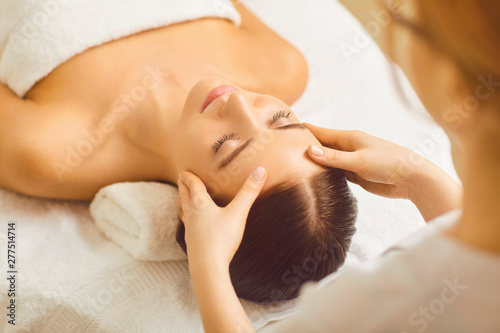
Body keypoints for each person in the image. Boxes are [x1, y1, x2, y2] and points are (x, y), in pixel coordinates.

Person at [0, 1, 358, 302]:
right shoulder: (281, 65)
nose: (238, 103)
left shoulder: (52, 153)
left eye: (227, 146)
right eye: (281, 121)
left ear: (193, 207)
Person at [177, 0, 500, 332]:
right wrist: (419, 178)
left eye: (409, 21)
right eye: (282, 123)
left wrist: (210, 266)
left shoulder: (392, 307)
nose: (239, 102)